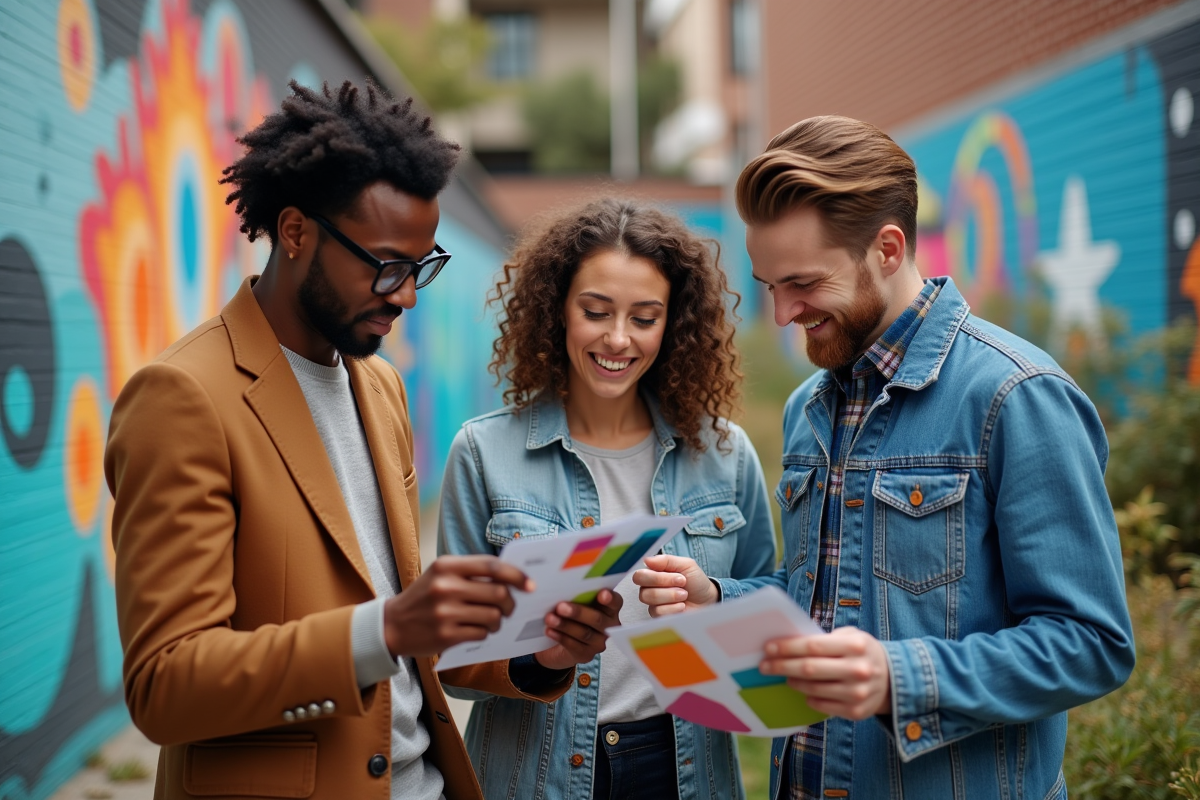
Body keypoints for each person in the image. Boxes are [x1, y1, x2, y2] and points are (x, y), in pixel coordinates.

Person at [104, 80, 616, 800]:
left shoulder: (380, 389)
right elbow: (166, 685)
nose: (405, 294)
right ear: (294, 232)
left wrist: (540, 653)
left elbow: (408, 644)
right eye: (385, 265)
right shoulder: (184, 398)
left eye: (420, 267)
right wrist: (384, 628)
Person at [634, 116, 1135, 800]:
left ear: (889, 248)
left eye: (802, 283)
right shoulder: (809, 407)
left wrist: (901, 678)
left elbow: (1091, 642)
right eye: (769, 285)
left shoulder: (1016, 397)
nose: (782, 314)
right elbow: (830, 597)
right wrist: (718, 597)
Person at [436, 199, 778, 800]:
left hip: (685, 769)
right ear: (557, 310)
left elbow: (770, 634)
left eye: (645, 318)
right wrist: (542, 658)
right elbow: (451, 661)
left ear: (673, 324)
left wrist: (714, 606)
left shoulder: (726, 453)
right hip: (535, 774)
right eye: (595, 311)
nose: (618, 339)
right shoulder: (483, 452)